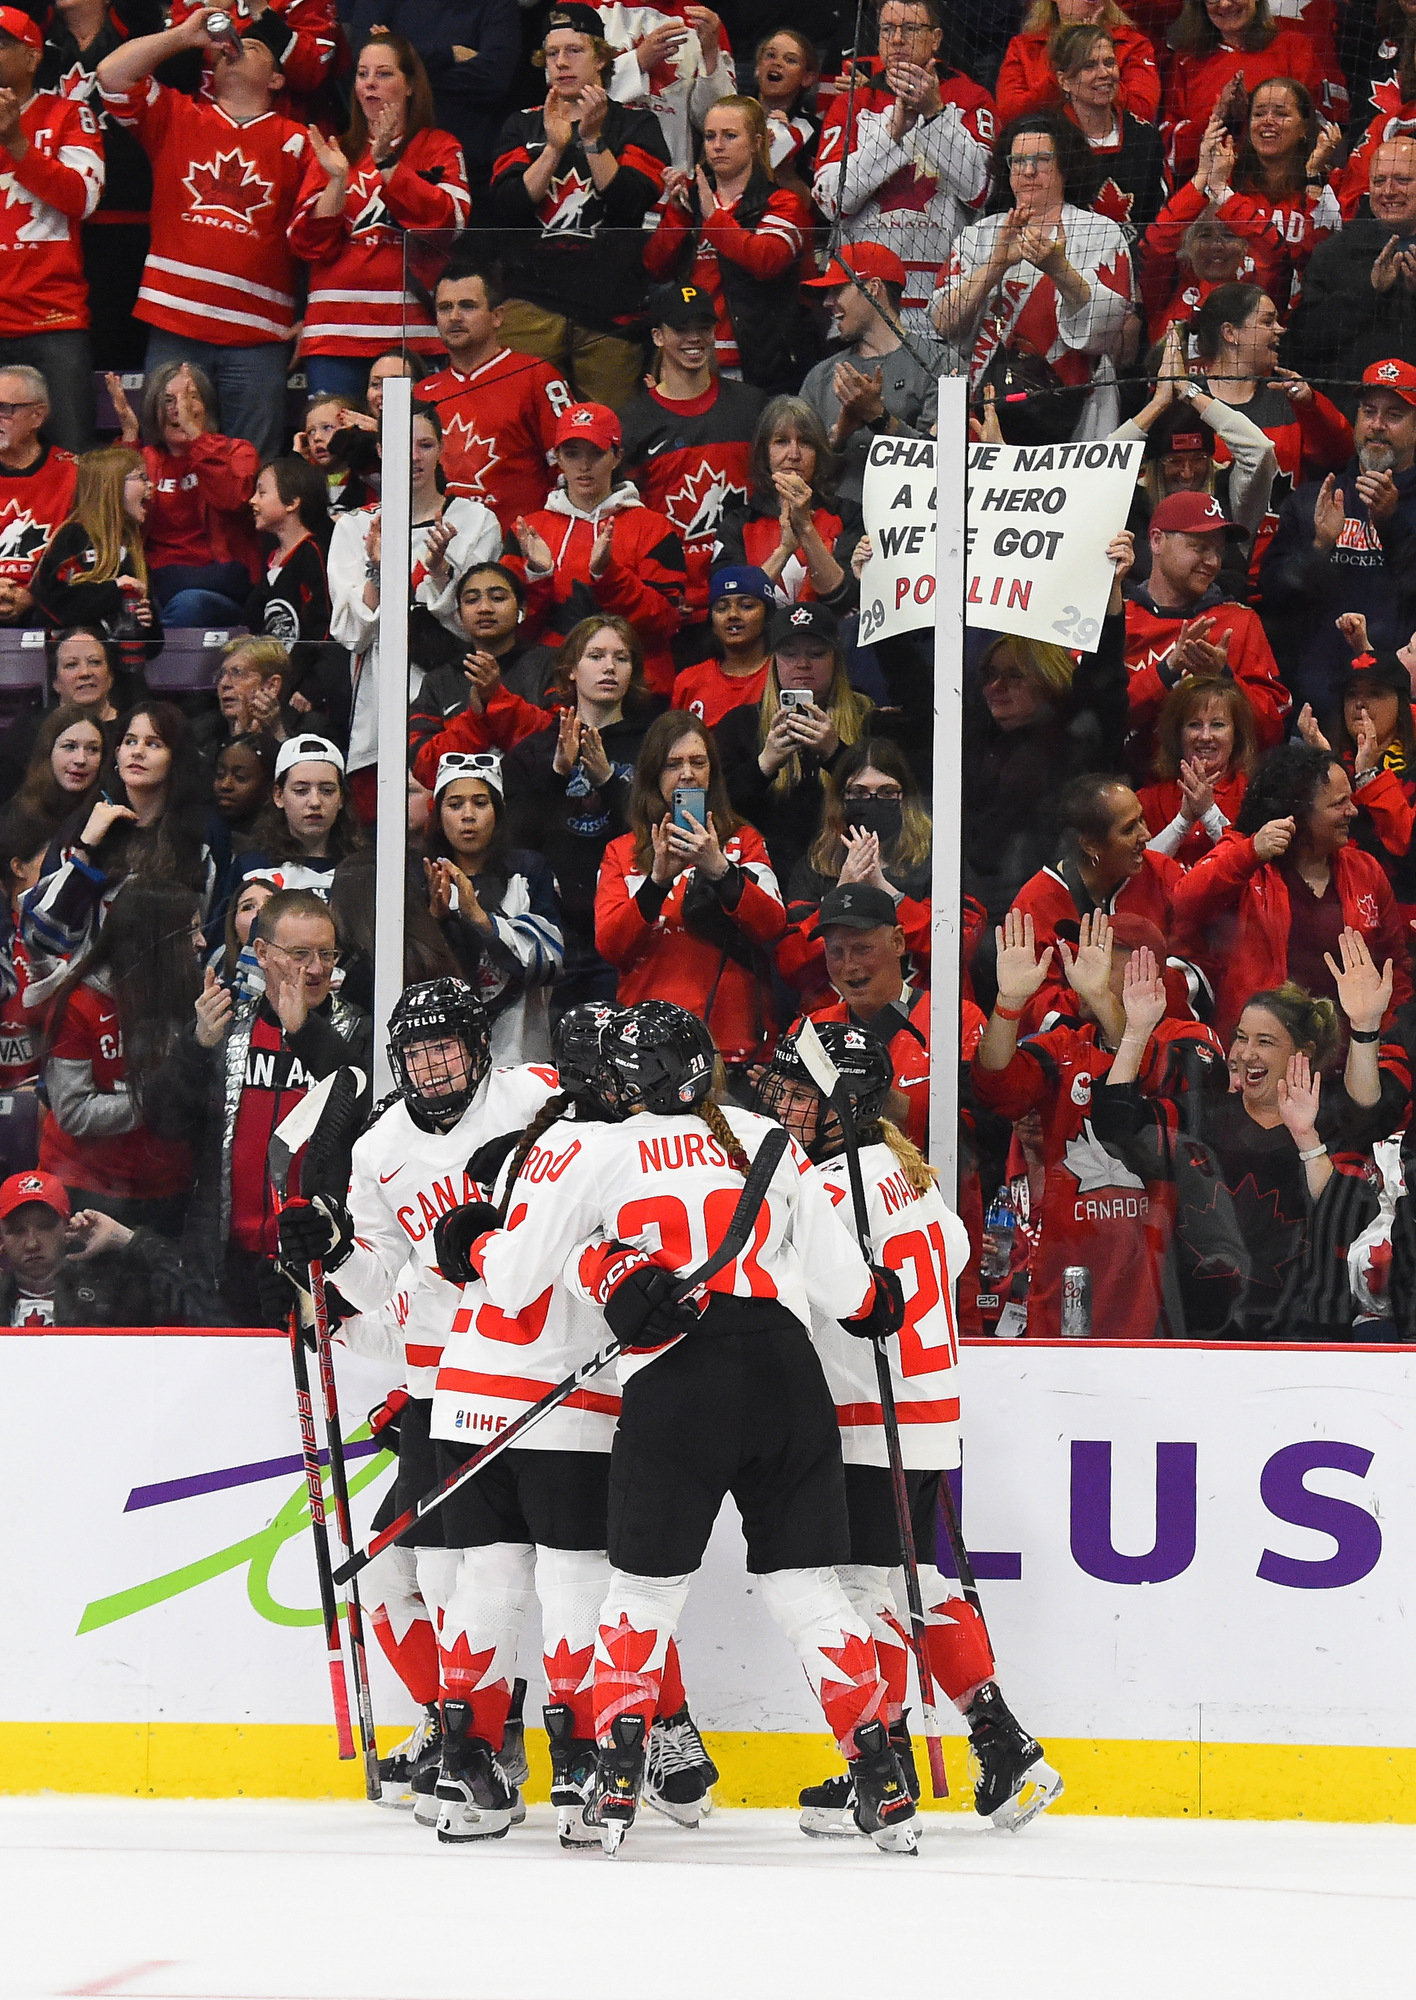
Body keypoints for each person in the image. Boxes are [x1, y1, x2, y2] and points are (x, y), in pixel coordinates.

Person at [467, 998, 914, 1855]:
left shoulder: (599, 1151)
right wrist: (878, 1299)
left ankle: (617, 1778)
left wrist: (491, 1243)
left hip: (678, 1377)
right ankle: (882, 1776)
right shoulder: (767, 1139)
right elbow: (853, 1295)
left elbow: (513, 1282)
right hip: (786, 1373)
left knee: (641, 1591)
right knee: (807, 1587)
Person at [749, 1021, 1063, 1835]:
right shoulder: (906, 1170)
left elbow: (812, 1292)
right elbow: (951, 1256)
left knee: (864, 1591)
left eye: (799, 1095)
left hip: (863, 1418)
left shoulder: (820, 1190)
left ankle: (884, 1764)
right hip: (928, 1411)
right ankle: (1006, 1747)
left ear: (841, 1108)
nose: (783, 1105)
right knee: (916, 1580)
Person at [274, 978, 560, 1823]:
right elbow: (384, 1281)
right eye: (417, 1053)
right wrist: (330, 1254)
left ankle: (645, 1726)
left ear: (480, 1048)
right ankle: (470, 1730)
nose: (432, 1067)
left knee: (584, 1565)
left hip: (548, 1371)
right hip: (445, 1389)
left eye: (446, 1048)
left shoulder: (535, 1097)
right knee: (420, 1568)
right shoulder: (380, 1147)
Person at [1092, 964, 1397, 1340]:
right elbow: (1114, 1123)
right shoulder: (1202, 1113)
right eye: (1241, 1037)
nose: (1246, 1054)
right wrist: (1136, 1031)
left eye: (1265, 1042)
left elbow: (1351, 1216)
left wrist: (1306, 1136)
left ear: (1303, 1052)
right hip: (1199, 1338)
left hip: (1308, 1345)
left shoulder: (1331, 1120)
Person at [973, 908, 1227, 1338]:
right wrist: (1009, 1004)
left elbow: (1164, 1079)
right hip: (1064, 1280)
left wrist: (1113, 1009)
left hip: (1154, 1285)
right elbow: (995, 1082)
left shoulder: (1193, 1038)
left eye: (1102, 951)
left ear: (1146, 968)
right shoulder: (1065, 1044)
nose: (1082, 961)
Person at [146, 886, 371, 1322]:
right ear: (263, 953)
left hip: (324, 1260)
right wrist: (193, 1049)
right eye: (300, 953)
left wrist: (306, 1033)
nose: (316, 968)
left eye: (328, 954)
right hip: (226, 1266)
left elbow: (364, 1115)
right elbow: (165, 1124)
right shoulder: (224, 1029)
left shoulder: (357, 1030)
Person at [95, 11, 310, 461]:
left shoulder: (300, 142)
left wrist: (316, 314)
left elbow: (321, 238)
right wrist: (182, 35)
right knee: (167, 466)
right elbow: (111, 74)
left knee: (251, 470)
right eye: (233, 45)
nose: (239, 46)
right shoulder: (179, 115)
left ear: (275, 80)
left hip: (257, 336)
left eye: (255, 48)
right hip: (176, 323)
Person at [490, 4, 671, 410]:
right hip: (530, 305)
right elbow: (507, 206)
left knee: (609, 432)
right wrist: (553, 149)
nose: (561, 62)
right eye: (552, 54)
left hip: (612, 311)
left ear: (603, 58)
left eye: (574, 50)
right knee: (517, 423)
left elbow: (629, 204)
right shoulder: (522, 125)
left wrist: (591, 141)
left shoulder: (637, 125)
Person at [1172, 740, 1414, 1044]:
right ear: (1298, 811)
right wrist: (1251, 852)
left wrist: (1391, 1041)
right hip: (1261, 1059)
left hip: (1352, 1058)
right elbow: (1184, 902)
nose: (1352, 811)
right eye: (1338, 803)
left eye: (1350, 800)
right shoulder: (1247, 860)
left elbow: (1395, 966)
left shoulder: (1365, 870)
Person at [330, 405, 500, 812]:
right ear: (381, 450)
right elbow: (353, 635)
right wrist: (377, 567)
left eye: (424, 444)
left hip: (454, 708)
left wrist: (441, 573)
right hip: (378, 712)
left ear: (442, 449)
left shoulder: (476, 520)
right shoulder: (353, 526)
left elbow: (478, 626)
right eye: (401, 445)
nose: (413, 457)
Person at [594, 710, 786, 1069]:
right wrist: (657, 882)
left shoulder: (744, 842)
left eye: (698, 762)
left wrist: (719, 868)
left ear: (712, 771)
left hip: (735, 1050)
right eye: (672, 764)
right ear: (653, 776)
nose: (687, 774)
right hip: (649, 1052)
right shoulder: (622, 852)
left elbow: (772, 926)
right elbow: (610, 946)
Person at [288, 33, 472, 396]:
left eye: (384, 74)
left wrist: (389, 165)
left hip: (412, 333)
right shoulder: (335, 151)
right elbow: (307, 245)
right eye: (362, 74)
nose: (369, 83)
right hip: (336, 333)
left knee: (411, 447)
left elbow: (449, 223)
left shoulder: (438, 146)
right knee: (339, 446)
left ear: (410, 86)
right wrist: (338, 181)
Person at [930, 110, 1133, 440]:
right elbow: (943, 323)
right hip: (986, 410)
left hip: (1078, 414)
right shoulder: (977, 236)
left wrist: (1059, 269)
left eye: (1041, 159)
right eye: (1018, 161)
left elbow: (1111, 334)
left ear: (1065, 165)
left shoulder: (1101, 232)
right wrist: (996, 265)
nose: (1028, 171)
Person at [503, 616, 666, 1013]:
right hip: (557, 928)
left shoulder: (654, 745)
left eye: (621, 658)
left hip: (633, 923)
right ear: (571, 670)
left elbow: (660, 830)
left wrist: (609, 780)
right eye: (596, 656)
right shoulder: (533, 752)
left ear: (634, 672)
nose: (609, 667)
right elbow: (515, 839)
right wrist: (558, 773)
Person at [963, 552, 1131, 928]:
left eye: (1013, 675)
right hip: (970, 912)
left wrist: (1112, 590)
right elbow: (913, 683)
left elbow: (1105, 679)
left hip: (1053, 914)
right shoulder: (971, 740)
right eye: (989, 674)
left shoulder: (1076, 740)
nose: (996, 686)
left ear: (1046, 677)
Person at [812, 0, 995, 341]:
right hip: (863, 306)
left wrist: (935, 113)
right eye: (887, 29)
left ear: (935, 38)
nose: (896, 40)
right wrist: (890, 137)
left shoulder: (972, 98)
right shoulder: (852, 103)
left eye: (910, 29)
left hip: (944, 307)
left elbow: (979, 190)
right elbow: (831, 203)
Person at [39, 878, 199, 1234]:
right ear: (157, 942)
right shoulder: (79, 1003)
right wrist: (154, 1101)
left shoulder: (191, 993)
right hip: (87, 1185)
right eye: (190, 933)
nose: (201, 943)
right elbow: (74, 1111)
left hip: (170, 1183)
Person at [1259, 360, 1416, 719]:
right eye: (1368, 411)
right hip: (1317, 710)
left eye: (1394, 414)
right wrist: (1318, 548)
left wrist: (1390, 524)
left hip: (1400, 718)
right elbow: (1274, 597)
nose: (1377, 425)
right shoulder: (1313, 499)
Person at [503, 401, 687, 696]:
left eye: (597, 453)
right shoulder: (527, 531)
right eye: (572, 454)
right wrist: (539, 574)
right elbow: (514, 631)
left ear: (617, 457)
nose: (584, 466)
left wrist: (609, 575)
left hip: (637, 692)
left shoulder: (653, 528)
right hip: (553, 690)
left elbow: (666, 622)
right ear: (558, 459)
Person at [23, 700, 213, 974]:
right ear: (116, 754)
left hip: (170, 995)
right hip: (90, 995)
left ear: (176, 759)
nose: (137, 752)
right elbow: (44, 936)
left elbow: (207, 937)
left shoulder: (200, 837)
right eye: (130, 741)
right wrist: (85, 849)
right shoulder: (81, 828)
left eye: (154, 744)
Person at [618, 283, 768, 622]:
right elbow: (629, 523)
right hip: (673, 604)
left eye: (703, 327)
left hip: (746, 597)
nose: (694, 337)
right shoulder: (633, 421)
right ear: (657, 336)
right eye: (681, 328)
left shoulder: (751, 406)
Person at [644, 95, 813, 392]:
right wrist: (678, 214)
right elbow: (655, 268)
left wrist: (714, 218)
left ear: (756, 143)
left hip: (757, 363)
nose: (717, 145)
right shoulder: (691, 201)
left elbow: (767, 260)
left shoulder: (782, 202)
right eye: (710, 136)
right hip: (689, 355)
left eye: (730, 136)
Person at [1184, 280, 1350, 581]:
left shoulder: (1289, 400)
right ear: (1230, 333)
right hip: (1208, 579)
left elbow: (1340, 453)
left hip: (1285, 575)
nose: (1280, 330)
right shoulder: (1187, 405)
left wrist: (1311, 405)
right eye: (1267, 321)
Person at [0, 7, 104, 457]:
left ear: (31, 57)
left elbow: (82, 197)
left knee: (71, 460)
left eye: (1, 44)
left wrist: (17, 143)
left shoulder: (69, 115)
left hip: (52, 320)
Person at [715, 600, 874, 887]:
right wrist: (764, 765)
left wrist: (836, 755)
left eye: (816, 653)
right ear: (772, 659)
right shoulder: (740, 725)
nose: (802, 664)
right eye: (789, 654)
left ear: (836, 659)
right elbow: (719, 812)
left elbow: (886, 805)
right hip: (764, 877)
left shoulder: (867, 718)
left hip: (848, 873)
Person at [1123, 490, 1289, 764]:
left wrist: (1224, 677)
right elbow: (1094, 722)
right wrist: (1167, 672)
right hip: (1130, 788)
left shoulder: (1239, 622)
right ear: (1156, 541)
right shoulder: (1118, 618)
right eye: (1199, 547)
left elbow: (1272, 730)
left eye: (1218, 551)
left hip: (1221, 794)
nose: (1212, 562)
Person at [1010, 772, 1190, 1024]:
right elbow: (1032, 1007)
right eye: (1129, 829)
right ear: (1091, 845)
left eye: (1142, 820)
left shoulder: (1161, 873)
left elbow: (1198, 960)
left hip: (1159, 1040)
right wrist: (1102, 994)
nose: (1146, 835)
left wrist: (1146, 987)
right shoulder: (1035, 903)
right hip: (1073, 1055)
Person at [422, 751, 564, 1065]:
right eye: (455, 804)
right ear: (439, 814)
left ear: (498, 811)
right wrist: (439, 921)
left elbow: (551, 962)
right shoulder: (421, 877)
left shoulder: (528, 871)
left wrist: (479, 918)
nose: (468, 815)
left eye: (480, 803)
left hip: (522, 1058)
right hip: (443, 1064)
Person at [415, 263, 574, 530]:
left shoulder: (538, 377)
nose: (454, 317)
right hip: (439, 547)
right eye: (444, 308)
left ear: (497, 316)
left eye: (467, 306)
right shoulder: (421, 393)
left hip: (517, 549)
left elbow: (569, 468)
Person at [105, 362, 262, 630]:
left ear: (207, 405)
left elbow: (231, 500)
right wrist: (130, 436)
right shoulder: (146, 459)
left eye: (191, 398)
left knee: (188, 603)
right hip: (154, 585)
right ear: (153, 410)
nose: (180, 409)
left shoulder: (237, 452)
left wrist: (196, 436)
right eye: (168, 400)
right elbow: (112, 515)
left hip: (216, 586)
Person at [778, 740, 932, 1012]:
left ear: (905, 797)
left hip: (922, 1018)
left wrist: (885, 889)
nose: (872, 803)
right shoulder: (815, 866)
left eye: (886, 792)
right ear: (840, 799)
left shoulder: (935, 861)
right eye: (858, 793)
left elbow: (958, 947)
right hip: (832, 1022)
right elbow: (792, 964)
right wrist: (842, 889)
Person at [798, 243, 941, 514]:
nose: (828, 302)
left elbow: (941, 463)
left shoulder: (936, 363)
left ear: (873, 288)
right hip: (835, 531)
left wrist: (879, 418)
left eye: (838, 289)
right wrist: (839, 437)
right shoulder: (820, 378)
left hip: (914, 525)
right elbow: (800, 471)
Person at [0, 1167, 229, 1327]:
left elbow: (205, 1302)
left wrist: (127, 1239)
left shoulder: (112, 1288)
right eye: (17, 1231)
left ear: (67, 1229)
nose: (31, 1243)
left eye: (45, 1226)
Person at [797, 882, 933, 1149]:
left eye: (862, 949)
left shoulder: (955, 1022)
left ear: (897, 942)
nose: (849, 966)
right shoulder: (810, 1032)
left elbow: (975, 1137)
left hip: (929, 1188)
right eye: (836, 952)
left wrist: (879, 1097)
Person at [342, 0, 520, 197]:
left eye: (387, 74)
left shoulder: (496, 5)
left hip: (474, 159)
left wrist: (404, 71)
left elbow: (494, 77)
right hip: (386, 155)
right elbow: (365, 59)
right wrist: (448, 54)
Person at [1286, 137, 1416, 402]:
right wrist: (1370, 291)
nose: (1388, 191)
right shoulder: (1334, 254)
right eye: (1379, 181)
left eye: (1402, 180)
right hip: (1352, 413)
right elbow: (1306, 341)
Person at [1160, 0, 1335, 186]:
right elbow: (1169, 155)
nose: (1225, 4)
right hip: (1205, 196)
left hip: (1283, 193)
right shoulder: (1185, 61)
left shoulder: (1293, 47)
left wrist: (1253, 115)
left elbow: (1320, 133)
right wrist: (1219, 116)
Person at [1298, 650, 1416, 924]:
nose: (1360, 704)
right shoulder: (1328, 759)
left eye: (1374, 693)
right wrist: (1325, 768)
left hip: (1404, 922)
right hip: (1333, 914)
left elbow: (1407, 851)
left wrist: (1369, 778)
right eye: (1351, 694)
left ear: (1400, 702)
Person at [408, 562, 559, 769]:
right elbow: (423, 763)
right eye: (471, 600)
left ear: (522, 609)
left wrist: (496, 699)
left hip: (535, 797)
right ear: (459, 615)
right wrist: (475, 720)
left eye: (498, 598)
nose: (485, 608)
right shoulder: (440, 680)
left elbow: (559, 744)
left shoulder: (551, 664)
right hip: (463, 798)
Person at [714, 396, 852, 607]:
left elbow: (840, 597)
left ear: (819, 453)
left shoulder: (849, 515)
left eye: (806, 443)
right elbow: (736, 608)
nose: (794, 455)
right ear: (764, 451)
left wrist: (805, 527)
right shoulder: (737, 523)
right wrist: (785, 549)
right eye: (781, 442)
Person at [32, 447, 160, 664]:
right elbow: (57, 606)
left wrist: (148, 622)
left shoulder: (132, 549)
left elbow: (154, 648)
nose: (151, 485)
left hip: (124, 675)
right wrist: (115, 589)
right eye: (142, 477)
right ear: (112, 485)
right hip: (73, 675)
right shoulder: (73, 536)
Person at [1049, 24, 1165, 243]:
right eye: (1089, 66)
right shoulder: (1047, 139)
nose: (1104, 74)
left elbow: (1159, 213)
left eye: (1109, 63)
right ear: (1064, 80)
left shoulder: (1144, 136)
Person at [1138, 672, 1256, 866]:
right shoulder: (1146, 801)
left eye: (1218, 725)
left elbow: (1253, 869)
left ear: (1237, 735)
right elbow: (1137, 871)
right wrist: (1183, 821)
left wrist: (1208, 813)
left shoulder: (1254, 796)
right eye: (1194, 725)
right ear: (1178, 734)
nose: (1205, 736)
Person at [0, 624, 124, 806]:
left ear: (110, 676)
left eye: (95, 662)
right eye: (71, 665)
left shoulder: (130, 729)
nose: (85, 673)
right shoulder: (29, 731)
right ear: (56, 682)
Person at [235, 734, 363, 900]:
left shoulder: (364, 869)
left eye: (327, 790)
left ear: (341, 799)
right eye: (301, 790)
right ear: (278, 795)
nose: (315, 802)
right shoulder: (251, 868)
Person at [997, 1, 1160, 126]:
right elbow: (1009, 115)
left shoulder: (1133, 44)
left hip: (1117, 154)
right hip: (1049, 153)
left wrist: (1095, 50)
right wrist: (1073, 57)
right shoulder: (1024, 46)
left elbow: (1143, 111)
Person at [0, 365, 77, 628]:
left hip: (49, 604)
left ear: (37, 416)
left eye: (5, 410)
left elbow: (89, 557)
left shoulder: (74, 473)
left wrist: (35, 596)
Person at [245, 456, 332, 651]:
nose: (252, 500)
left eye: (262, 492)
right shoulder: (271, 557)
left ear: (292, 502)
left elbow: (322, 623)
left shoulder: (313, 553)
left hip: (308, 674)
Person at [670, 566, 774, 726]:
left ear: (767, 615)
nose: (732, 615)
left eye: (746, 606)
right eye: (721, 608)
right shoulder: (688, 681)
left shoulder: (784, 675)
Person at [11, 704, 106, 852]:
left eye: (93, 749)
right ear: (48, 752)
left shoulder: (108, 816)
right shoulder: (17, 814)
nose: (81, 759)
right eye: (69, 747)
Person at [752, 26, 820, 207]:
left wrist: (785, 170)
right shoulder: (732, 111)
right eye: (770, 55)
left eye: (790, 60)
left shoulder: (813, 131)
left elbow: (814, 208)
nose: (777, 63)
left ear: (807, 77)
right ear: (758, 67)